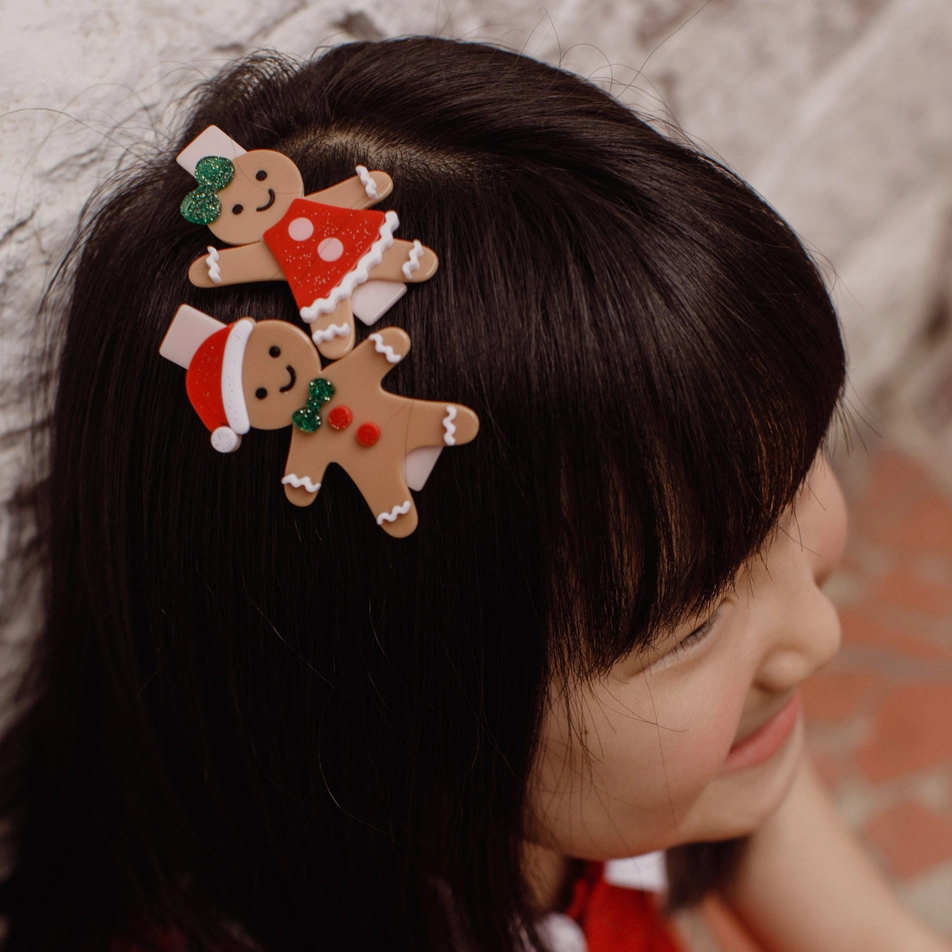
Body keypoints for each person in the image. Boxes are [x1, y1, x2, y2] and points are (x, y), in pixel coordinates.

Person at [0, 35, 947, 952]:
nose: (817, 634)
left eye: (784, 498)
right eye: (694, 624)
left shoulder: (695, 754)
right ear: (390, 716)